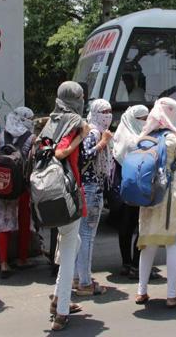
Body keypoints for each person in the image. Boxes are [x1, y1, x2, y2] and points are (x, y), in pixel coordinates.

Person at [134, 96, 176, 308]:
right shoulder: (173, 139)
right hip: (172, 196)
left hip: (148, 196)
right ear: (170, 113)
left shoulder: (143, 137)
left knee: (148, 245)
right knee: (173, 244)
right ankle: (171, 295)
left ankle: (141, 291)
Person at [40, 81, 88, 331]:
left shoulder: (52, 120)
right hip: (67, 192)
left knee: (73, 242)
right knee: (70, 251)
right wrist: (82, 136)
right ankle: (61, 312)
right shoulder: (73, 122)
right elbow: (60, 153)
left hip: (49, 192)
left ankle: (59, 297)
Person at [0, 106, 35, 278]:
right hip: (21, 187)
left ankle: (3, 262)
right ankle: (22, 258)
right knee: (23, 220)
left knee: (2, 224)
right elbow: (32, 162)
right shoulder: (31, 138)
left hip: (1, 185)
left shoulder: (0, 137)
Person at [111, 105, 156, 279]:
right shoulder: (135, 140)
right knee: (140, 226)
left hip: (123, 189)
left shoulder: (120, 135)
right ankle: (137, 265)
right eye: (143, 119)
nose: (146, 122)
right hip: (137, 188)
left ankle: (126, 263)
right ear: (134, 119)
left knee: (126, 227)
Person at [73, 99, 113, 296]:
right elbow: (85, 156)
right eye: (104, 111)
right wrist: (103, 143)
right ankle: (85, 282)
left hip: (90, 188)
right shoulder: (94, 133)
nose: (108, 115)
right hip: (91, 189)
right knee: (87, 237)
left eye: (109, 111)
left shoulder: (92, 130)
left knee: (81, 236)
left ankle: (76, 277)